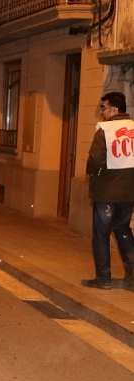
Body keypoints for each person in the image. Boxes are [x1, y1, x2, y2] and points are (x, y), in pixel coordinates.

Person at [84, 91, 134, 290]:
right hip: (129, 192)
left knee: (101, 233)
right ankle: (132, 274)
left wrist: (90, 171)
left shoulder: (105, 130)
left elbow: (95, 159)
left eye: (103, 108)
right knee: (123, 229)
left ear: (114, 110)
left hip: (106, 191)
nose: (101, 112)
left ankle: (103, 278)